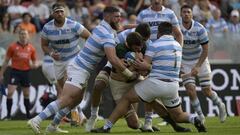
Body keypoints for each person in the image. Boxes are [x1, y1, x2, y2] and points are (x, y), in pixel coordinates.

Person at [27, 6, 138, 134]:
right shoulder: (106, 34)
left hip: (81, 67)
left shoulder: (104, 26)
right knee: (66, 99)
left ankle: (52, 126)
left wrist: (137, 26)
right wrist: (129, 74)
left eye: (120, 16)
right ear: (107, 17)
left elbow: (122, 27)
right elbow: (112, 59)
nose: (120, 19)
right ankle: (36, 120)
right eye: (117, 16)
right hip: (79, 68)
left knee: (76, 101)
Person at [91, 22, 206, 133]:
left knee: (127, 98)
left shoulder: (155, 45)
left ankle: (106, 127)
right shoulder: (178, 45)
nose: (141, 46)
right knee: (178, 115)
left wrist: (137, 64)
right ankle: (193, 118)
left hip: (156, 82)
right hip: (172, 86)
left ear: (159, 33)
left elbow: (143, 68)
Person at [40, 3, 91, 126]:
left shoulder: (73, 24)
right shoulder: (47, 28)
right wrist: (51, 53)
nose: (59, 14)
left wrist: (85, 52)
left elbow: (89, 36)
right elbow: (44, 45)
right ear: (53, 14)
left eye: (61, 11)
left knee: (69, 89)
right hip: (58, 62)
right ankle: (81, 115)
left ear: (65, 13)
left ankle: (74, 117)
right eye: (57, 12)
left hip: (73, 58)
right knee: (64, 92)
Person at [136, 0, 183, 128]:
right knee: (149, 85)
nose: (156, 0)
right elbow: (136, 35)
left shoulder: (170, 13)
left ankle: (149, 121)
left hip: (164, 53)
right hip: (148, 53)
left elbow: (179, 34)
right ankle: (148, 122)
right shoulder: (143, 14)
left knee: (150, 87)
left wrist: (178, 54)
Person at [180, 5, 227, 124]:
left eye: (188, 12)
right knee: (190, 89)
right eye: (184, 12)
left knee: (207, 91)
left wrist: (197, 66)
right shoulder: (176, 28)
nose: (186, 14)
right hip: (185, 61)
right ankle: (200, 116)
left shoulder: (200, 28)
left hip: (200, 60)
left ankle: (220, 105)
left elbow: (206, 50)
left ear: (192, 14)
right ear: (180, 14)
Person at [0, 29, 38, 119]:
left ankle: (28, 115)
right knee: (10, 93)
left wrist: (34, 65)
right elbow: (6, 61)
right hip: (15, 72)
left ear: (28, 36)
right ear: (19, 35)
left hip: (26, 72)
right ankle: (9, 116)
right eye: (21, 34)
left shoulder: (31, 48)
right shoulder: (12, 47)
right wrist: (1, 73)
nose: (23, 35)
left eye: (25, 34)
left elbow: (34, 61)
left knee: (26, 94)